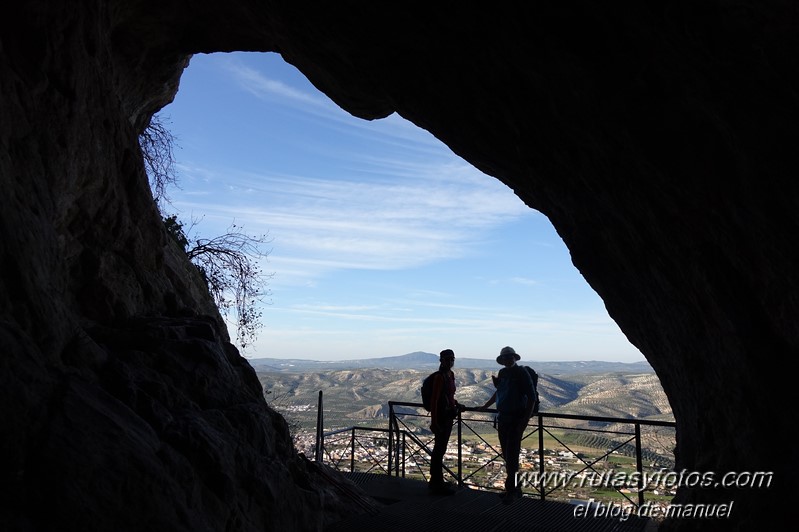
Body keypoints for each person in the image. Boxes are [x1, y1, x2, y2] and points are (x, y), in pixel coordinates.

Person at [482, 346, 535, 503]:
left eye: (510, 357)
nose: (507, 359)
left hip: (515, 420)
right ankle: (515, 489)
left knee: (511, 456)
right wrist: (485, 406)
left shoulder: (522, 373)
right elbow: (499, 392)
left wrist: (524, 422)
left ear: (514, 358)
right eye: (505, 357)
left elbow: (531, 397)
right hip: (503, 419)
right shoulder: (503, 373)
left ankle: (510, 491)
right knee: (507, 455)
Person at [428, 348, 464, 495]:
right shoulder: (440, 377)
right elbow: (435, 400)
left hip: (448, 415)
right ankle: (436, 483)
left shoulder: (451, 375)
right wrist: (434, 422)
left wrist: (456, 403)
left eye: (452, 359)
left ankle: (437, 481)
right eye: (447, 359)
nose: (450, 361)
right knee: (439, 450)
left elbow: (448, 395)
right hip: (442, 417)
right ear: (441, 361)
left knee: (440, 449)